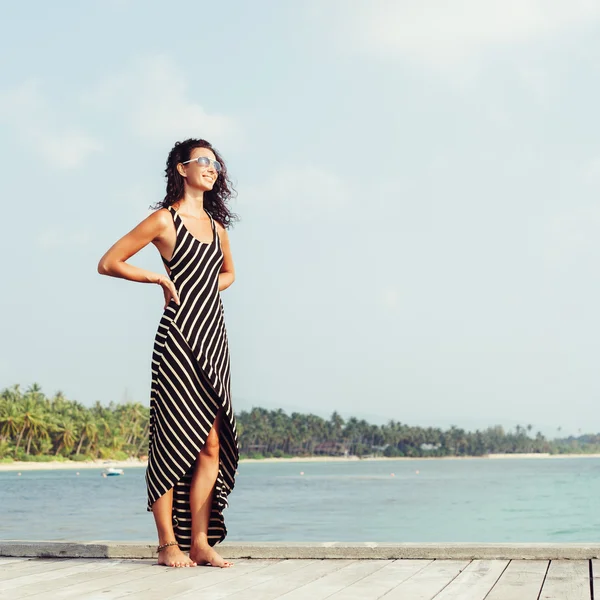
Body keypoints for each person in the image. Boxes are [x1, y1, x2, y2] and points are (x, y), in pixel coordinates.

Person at [98, 138, 240, 568]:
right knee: (171, 438)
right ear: (182, 169)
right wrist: (159, 281)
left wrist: (204, 287)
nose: (211, 169)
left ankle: (199, 541)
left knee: (212, 443)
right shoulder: (164, 220)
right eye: (203, 161)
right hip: (177, 339)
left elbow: (230, 273)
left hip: (213, 337)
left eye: (216, 164)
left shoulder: (218, 229)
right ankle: (166, 544)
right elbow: (110, 261)